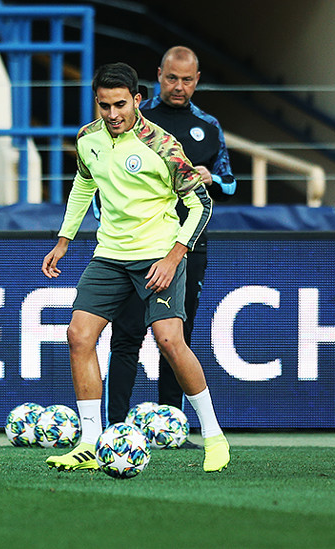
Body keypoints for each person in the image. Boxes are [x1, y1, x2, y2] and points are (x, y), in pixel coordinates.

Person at [41, 62, 230, 473]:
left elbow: (202, 204)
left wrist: (173, 257)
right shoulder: (88, 139)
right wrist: (64, 240)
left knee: (169, 341)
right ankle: (89, 442)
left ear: (138, 100)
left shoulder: (162, 146)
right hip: (109, 254)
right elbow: (83, 184)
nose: (113, 115)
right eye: (105, 105)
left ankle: (214, 437)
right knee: (78, 335)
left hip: (158, 253)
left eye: (121, 105)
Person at [104, 46, 237, 447]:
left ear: (198, 80)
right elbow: (100, 186)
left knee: (176, 339)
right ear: (158, 75)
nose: (179, 87)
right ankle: (116, 429)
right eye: (171, 78)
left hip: (187, 247)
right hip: (137, 246)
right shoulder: (135, 122)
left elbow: (230, 184)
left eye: (187, 80)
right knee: (126, 334)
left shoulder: (208, 126)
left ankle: (172, 428)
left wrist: (210, 177)